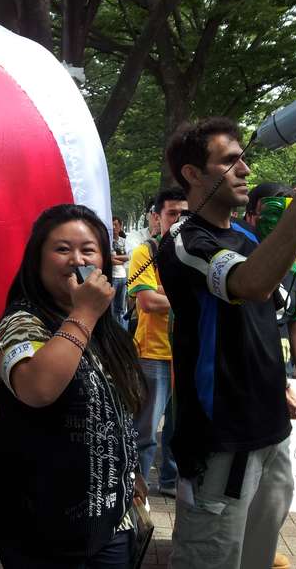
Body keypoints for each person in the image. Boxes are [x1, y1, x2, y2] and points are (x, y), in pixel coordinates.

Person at [159, 117, 296, 569]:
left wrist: (279, 385)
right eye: (230, 161)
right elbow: (251, 283)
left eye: (243, 158)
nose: (246, 170)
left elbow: (262, 320)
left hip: (271, 433)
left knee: (257, 558)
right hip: (221, 444)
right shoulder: (184, 240)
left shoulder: (247, 236)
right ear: (193, 175)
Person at [0, 204, 146, 568]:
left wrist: (127, 474)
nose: (77, 260)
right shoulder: (21, 323)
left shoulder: (105, 329)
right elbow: (38, 388)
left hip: (109, 521)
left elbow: (116, 410)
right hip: (41, 530)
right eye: (61, 249)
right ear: (36, 260)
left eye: (88, 250)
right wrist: (83, 313)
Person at [128, 188, 186, 498]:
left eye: (184, 214)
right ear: (156, 217)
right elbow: (149, 302)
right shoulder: (146, 253)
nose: (179, 221)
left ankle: (169, 482)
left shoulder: (194, 251)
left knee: (178, 429)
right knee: (147, 430)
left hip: (186, 355)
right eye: (172, 214)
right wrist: (193, 298)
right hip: (152, 355)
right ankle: (135, 490)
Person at [245, 185, 296, 397]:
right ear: (250, 217)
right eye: (273, 214)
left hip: (285, 376)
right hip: (247, 381)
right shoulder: (239, 266)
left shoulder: (293, 269)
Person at [111, 216, 128, 327]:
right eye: (112, 225)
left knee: (121, 309)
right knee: (111, 309)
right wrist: (122, 259)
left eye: (116, 225)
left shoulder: (125, 241)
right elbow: (109, 260)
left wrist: (116, 259)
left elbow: (129, 257)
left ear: (120, 227)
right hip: (112, 277)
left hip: (123, 277)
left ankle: (122, 332)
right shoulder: (108, 241)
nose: (114, 227)